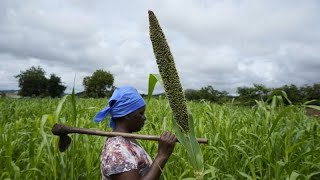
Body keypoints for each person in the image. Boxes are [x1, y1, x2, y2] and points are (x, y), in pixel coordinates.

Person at [94, 85, 176, 180]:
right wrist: (162, 155)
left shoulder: (127, 139)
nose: (144, 118)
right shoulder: (117, 150)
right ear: (127, 115)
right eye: (140, 113)